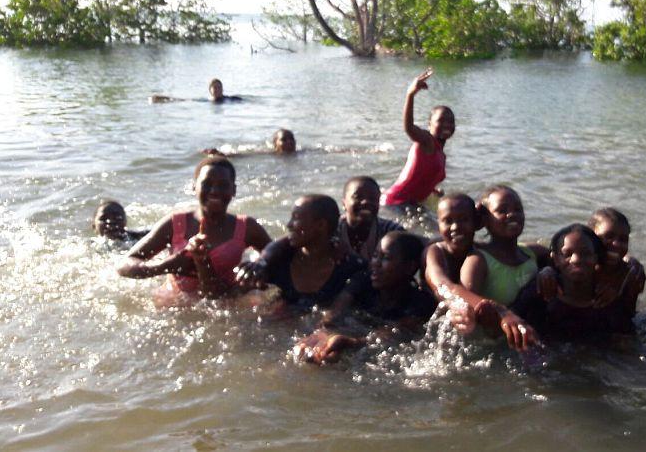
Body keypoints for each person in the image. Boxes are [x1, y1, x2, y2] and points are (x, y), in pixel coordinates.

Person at [116, 156, 272, 307]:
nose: (214, 191)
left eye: (223, 185)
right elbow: (125, 264)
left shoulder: (246, 227)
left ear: (234, 190)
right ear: (194, 187)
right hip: (175, 305)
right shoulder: (175, 223)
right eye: (207, 184)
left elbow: (282, 258)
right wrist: (164, 266)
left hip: (227, 302)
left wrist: (259, 267)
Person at [295, 231, 436, 364]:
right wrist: (322, 332)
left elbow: (393, 334)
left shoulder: (421, 302)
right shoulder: (363, 281)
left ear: (409, 267)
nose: (375, 263)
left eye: (386, 258)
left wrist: (350, 343)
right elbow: (335, 311)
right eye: (375, 256)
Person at [423, 193, 537, 351]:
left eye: (464, 220)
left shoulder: (481, 252)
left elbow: (527, 250)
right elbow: (442, 285)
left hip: (467, 310)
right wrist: (501, 311)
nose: (456, 227)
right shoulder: (435, 251)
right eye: (448, 221)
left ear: (478, 223)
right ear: (438, 224)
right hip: (427, 315)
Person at [234, 194, 369, 311]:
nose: (289, 225)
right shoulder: (279, 260)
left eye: (296, 218)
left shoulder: (351, 269)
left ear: (321, 225)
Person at [513, 224, 636, 341]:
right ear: (555, 259)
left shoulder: (609, 301)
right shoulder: (539, 292)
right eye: (567, 254)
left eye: (586, 253)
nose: (576, 260)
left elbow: (626, 342)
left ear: (596, 258)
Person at [381, 69, 455, 209]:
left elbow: (423, 176)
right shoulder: (426, 141)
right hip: (396, 203)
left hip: (411, 205)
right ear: (429, 125)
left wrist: (432, 191)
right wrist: (410, 94)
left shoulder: (441, 154)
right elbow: (409, 128)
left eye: (451, 121)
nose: (447, 125)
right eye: (441, 120)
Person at [469, 185, 549, 306]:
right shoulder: (478, 261)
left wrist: (549, 270)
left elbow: (562, 258)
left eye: (518, 209)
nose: (512, 214)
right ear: (485, 219)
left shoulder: (532, 252)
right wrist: (472, 225)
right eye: (502, 210)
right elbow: (465, 305)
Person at [587, 208, 646, 311]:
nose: (616, 244)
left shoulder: (633, 275)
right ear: (589, 237)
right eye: (608, 236)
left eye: (623, 239)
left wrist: (624, 276)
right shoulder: (574, 268)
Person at [337, 176, 404, 261]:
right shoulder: (332, 231)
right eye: (357, 197)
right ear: (344, 203)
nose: (366, 202)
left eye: (372, 198)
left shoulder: (390, 230)